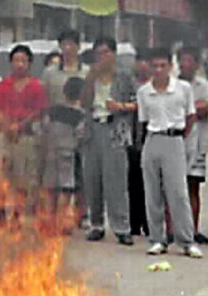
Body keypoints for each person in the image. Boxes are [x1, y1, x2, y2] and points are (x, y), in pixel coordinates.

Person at [138, 47, 200, 258]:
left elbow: (190, 116)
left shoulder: (183, 89)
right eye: (154, 66)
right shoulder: (144, 92)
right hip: (153, 138)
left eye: (163, 66)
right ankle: (157, 238)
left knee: (178, 193)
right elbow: (144, 120)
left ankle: (186, 240)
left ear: (170, 67)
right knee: (153, 193)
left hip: (174, 139)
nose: (158, 70)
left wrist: (181, 135)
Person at [81, 37, 135, 245]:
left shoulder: (123, 76)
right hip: (93, 129)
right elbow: (84, 103)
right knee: (92, 178)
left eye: (106, 53)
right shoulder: (91, 76)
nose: (102, 57)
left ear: (113, 54)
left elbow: (137, 102)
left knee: (116, 180)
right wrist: (90, 78)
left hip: (115, 129)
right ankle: (96, 224)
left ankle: (122, 226)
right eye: (99, 53)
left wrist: (120, 106)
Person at [0, 44, 47, 220]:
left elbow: (38, 111)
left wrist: (20, 126)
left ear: (29, 63)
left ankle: (17, 213)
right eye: (16, 60)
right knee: (1, 175)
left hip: (26, 136)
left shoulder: (36, 86)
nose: (20, 64)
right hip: (5, 135)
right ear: (11, 63)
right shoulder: (3, 85)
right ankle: (1, 212)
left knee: (22, 178)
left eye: (24, 60)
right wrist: (7, 126)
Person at [178, 47, 208, 246]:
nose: (185, 64)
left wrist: (189, 110)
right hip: (176, 142)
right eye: (182, 60)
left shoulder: (203, 84)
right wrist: (195, 108)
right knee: (173, 187)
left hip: (198, 141)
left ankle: (193, 230)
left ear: (195, 64)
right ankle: (174, 229)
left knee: (193, 186)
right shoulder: (172, 84)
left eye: (189, 60)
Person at [43, 76, 85, 229]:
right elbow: (80, 135)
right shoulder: (80, 115)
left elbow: (45, 126)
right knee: (66, 188)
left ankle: (49, 219)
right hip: (68, 153)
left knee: (51, 187)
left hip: (51, 151)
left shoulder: (53, 111)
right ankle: (62, 221)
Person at [127, 50, 152, 239]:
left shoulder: (156, 86)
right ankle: (133, 223)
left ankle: (149, 223)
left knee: (151, 185)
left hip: (151, 139)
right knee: (132, 184)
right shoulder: (129, 84)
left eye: (146, 61)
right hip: (131, 140)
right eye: (140, 61)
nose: (142, 65)